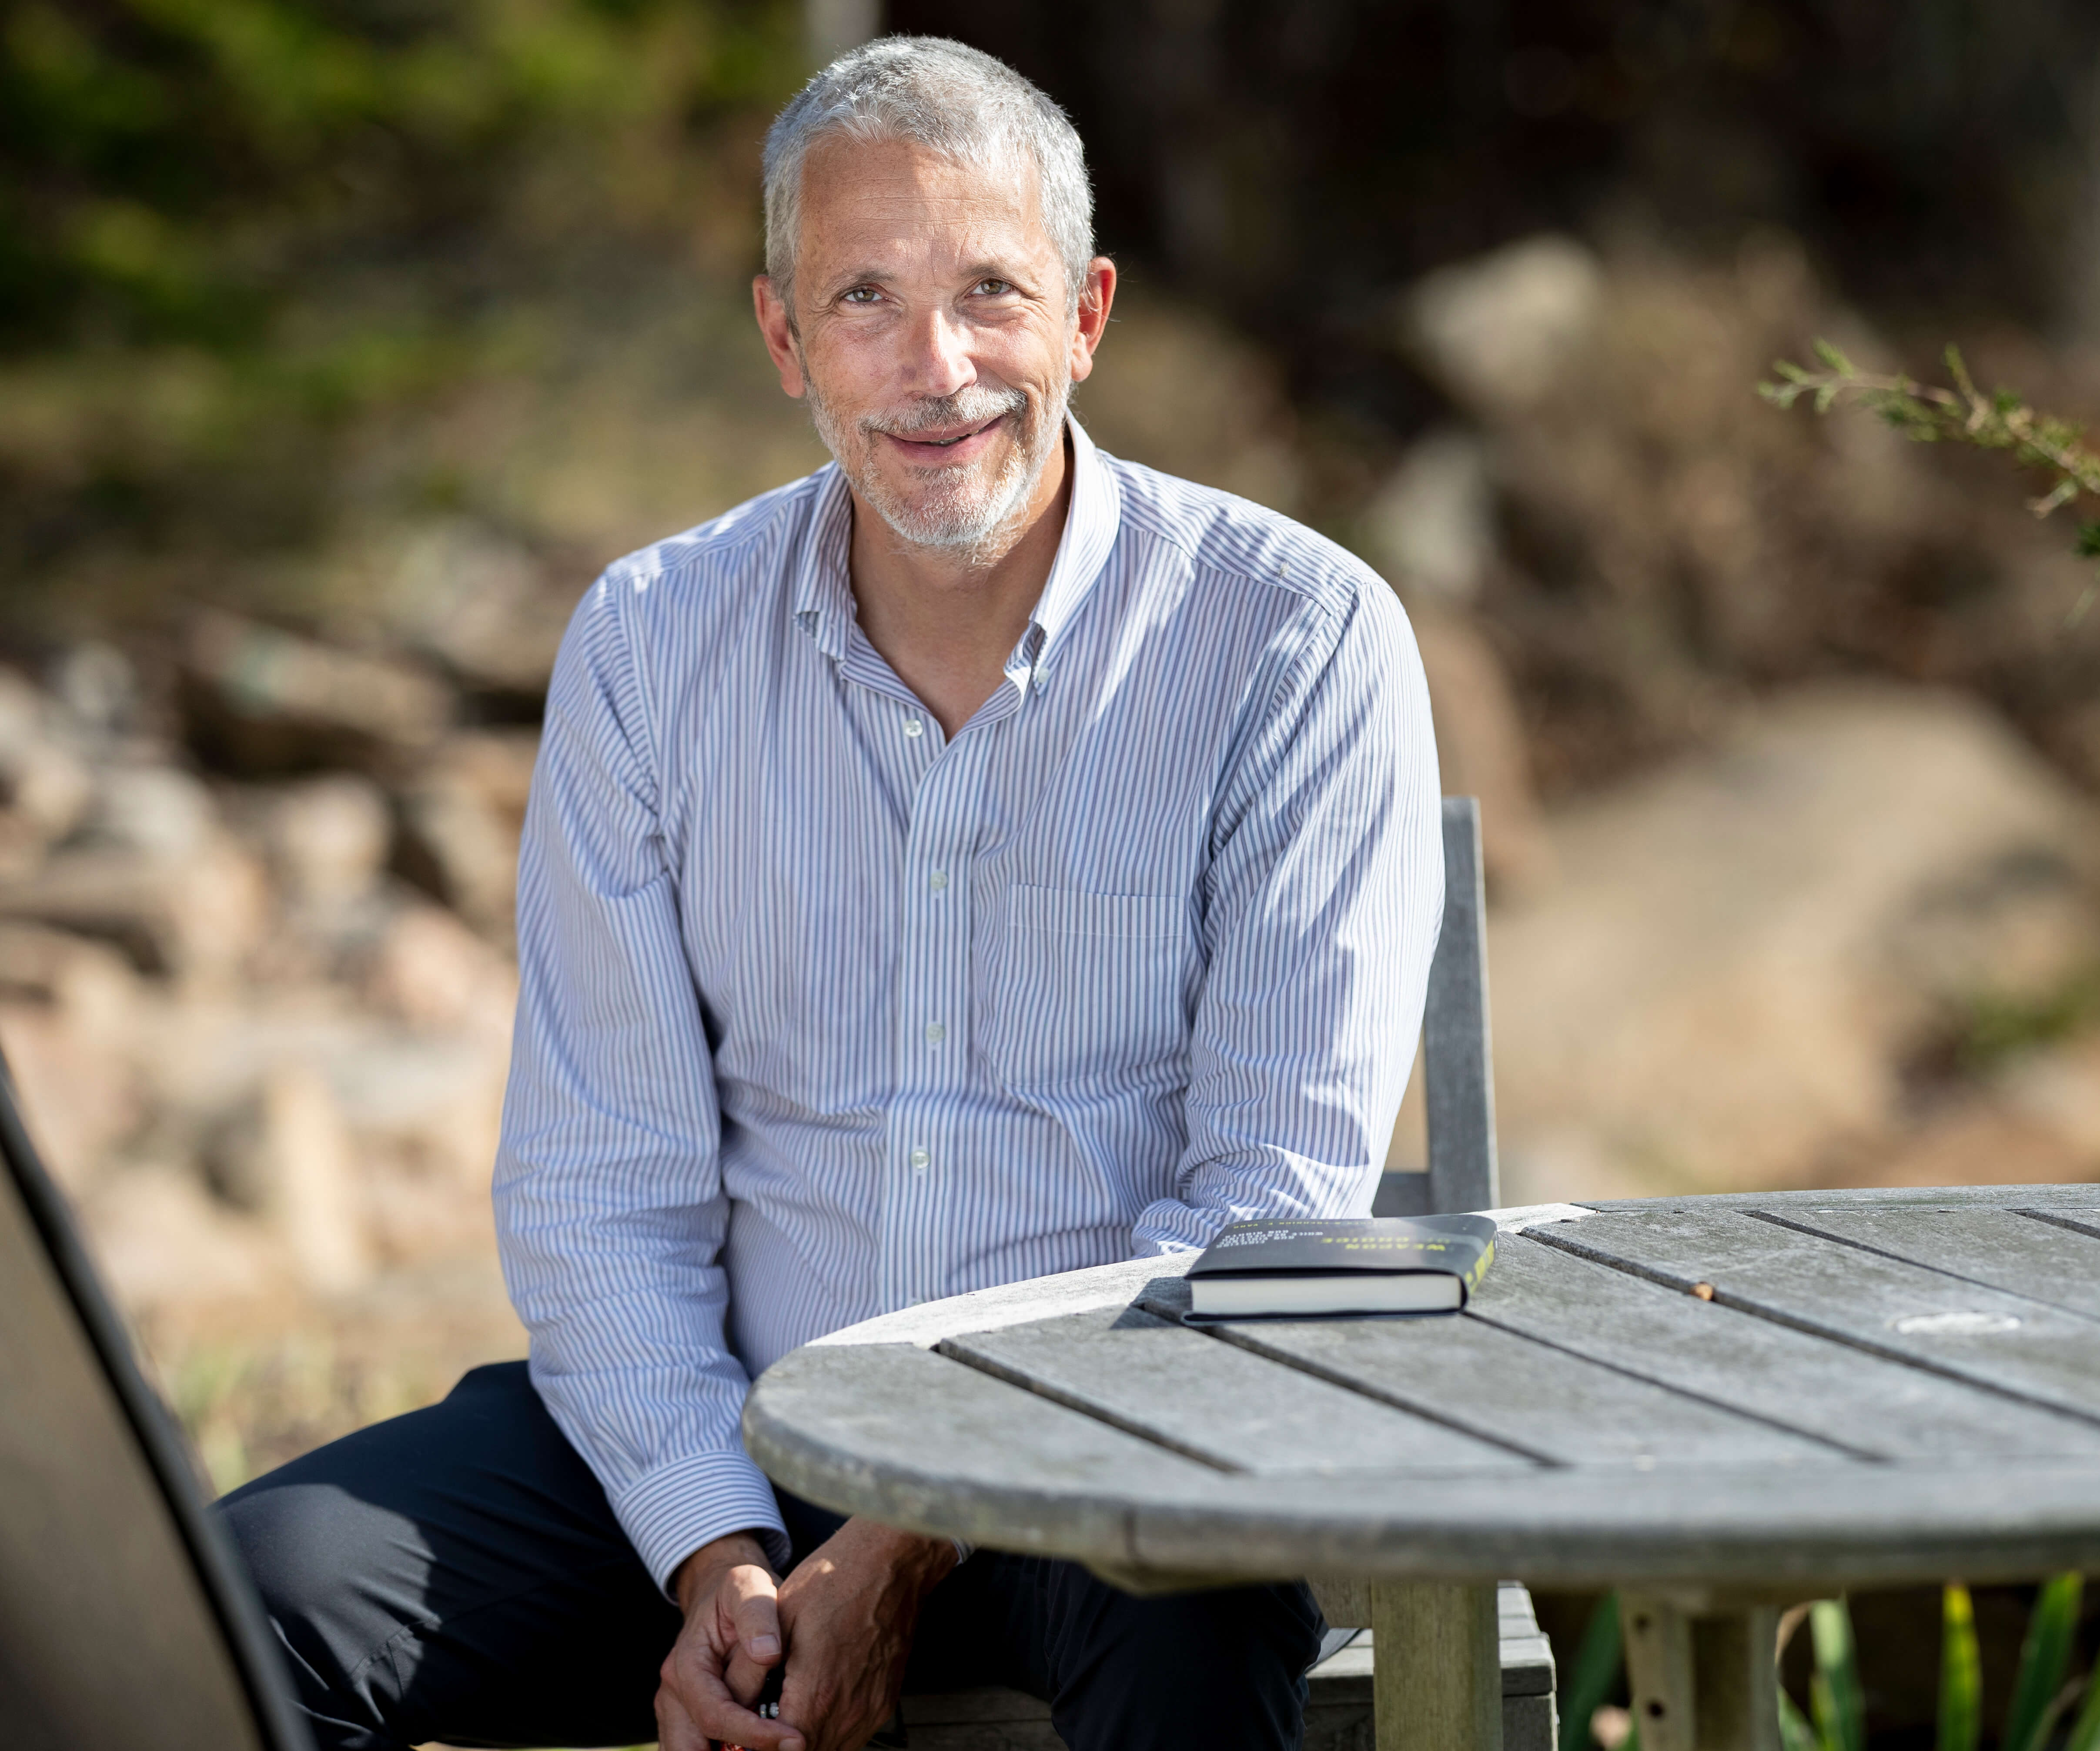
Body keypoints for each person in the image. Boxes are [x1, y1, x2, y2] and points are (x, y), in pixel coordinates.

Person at [221, 34, 1440, 1751]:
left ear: (1087, 314)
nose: (936, 368)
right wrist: (714, 1552)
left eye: (990, 291)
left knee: (1197, 1619)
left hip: (1103, 1448)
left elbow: (1261, 1222)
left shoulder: (1294, 643)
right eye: (864, 297)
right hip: (728, 1432)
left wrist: (900, 1535)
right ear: (785, 338)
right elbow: (602, 1185)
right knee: (236, 1606)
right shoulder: (650, 646)